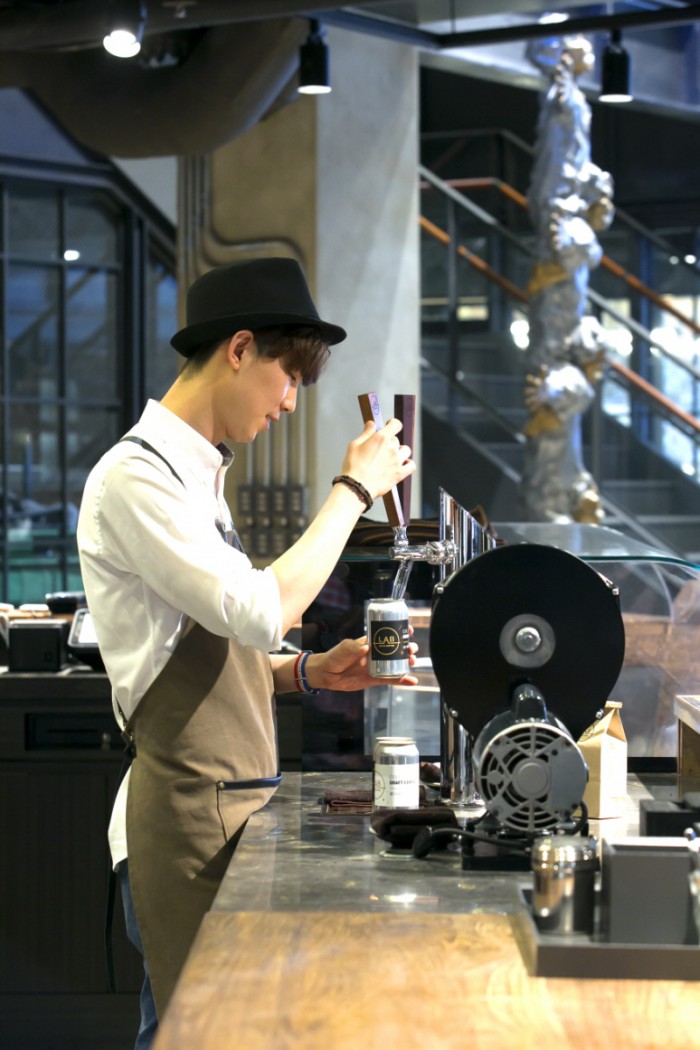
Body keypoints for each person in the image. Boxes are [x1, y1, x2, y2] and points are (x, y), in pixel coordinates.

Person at [76, 257, 416, 1047]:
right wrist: (352, 492)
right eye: (287, 376)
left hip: (230, 806)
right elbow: (261, 609)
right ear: (238, 349)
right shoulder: (135, 479)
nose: (290, 402)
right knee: (194, 1033)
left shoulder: (197, 478)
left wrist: (309, 670)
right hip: (185, 820)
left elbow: (205, 652)